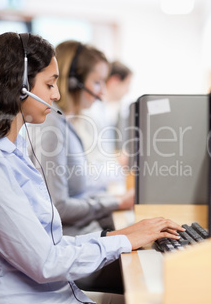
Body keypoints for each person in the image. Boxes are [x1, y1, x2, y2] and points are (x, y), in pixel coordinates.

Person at [0, 32, 184, 304]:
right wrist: (122, 240)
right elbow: (46, 261)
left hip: (51, 299)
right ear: (19, 84)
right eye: (49, 84)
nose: (57, 95)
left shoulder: (14, 152)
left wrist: (120, 235)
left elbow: (53, 244)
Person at [28, 40, 134, 237]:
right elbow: (58, 206)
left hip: (79, 232)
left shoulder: (62, 122)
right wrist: (117, 202)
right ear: (73, 82)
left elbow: (79, 188)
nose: (102, 91)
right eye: (97, 82)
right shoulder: (51, 126)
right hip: (69, 239)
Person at [74, 60, 133, 189]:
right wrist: (119, 164)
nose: (127, 91)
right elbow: (90, 168)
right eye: (127, 84)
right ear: (115, 80)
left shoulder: (102, 111)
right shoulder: (91, 113)